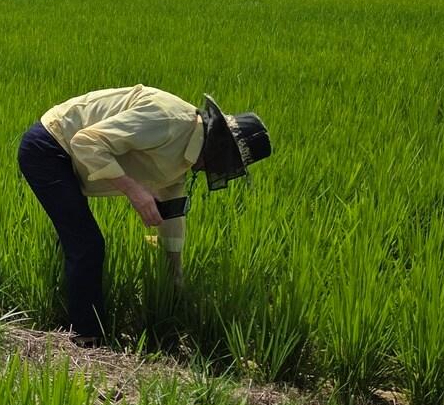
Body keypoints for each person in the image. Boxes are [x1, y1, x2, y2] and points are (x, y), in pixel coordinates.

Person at [16, 85, 270, 343]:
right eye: (227, 162)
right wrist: (134, 191)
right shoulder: (168, 120)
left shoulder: (187, 157)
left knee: (76, 237)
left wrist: (174, 270)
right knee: (88, 244)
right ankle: (86, 338)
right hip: (49, 147)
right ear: (219, 147)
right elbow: (86, 141)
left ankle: (68, 311)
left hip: (70, 158)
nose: (220, 170)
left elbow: (171, 212)